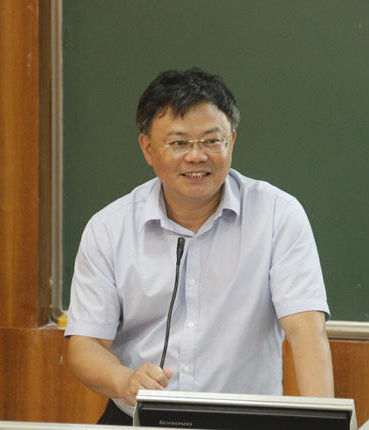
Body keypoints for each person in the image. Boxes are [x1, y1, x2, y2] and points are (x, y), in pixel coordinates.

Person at [65, 68, 334, 426]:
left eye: (211, 141)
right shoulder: (109, 228)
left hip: (246, 421)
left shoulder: (277, 215)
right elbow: (86, 346)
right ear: (147, 148)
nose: (196, 156)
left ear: (231, 142)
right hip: (139, 418)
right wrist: (124, 381)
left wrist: (325, 423)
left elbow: (306, 332)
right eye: (178, 143)